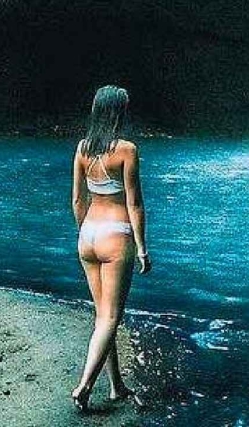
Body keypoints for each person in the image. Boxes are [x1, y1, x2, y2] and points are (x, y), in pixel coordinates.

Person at [70, 85, 152, 412]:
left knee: (103, 314)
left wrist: (85, 233)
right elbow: (135, 203)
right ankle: (85, 386)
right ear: (119, 113)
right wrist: (142, 248)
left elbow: (78, 200)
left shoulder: (82, 148)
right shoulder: (127, 150)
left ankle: (116, 385)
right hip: (116, 235)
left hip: (88, 235)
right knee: (111, 316)